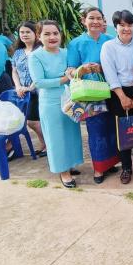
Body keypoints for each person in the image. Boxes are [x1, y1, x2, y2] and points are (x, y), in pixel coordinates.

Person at [66, 7, 119, 184]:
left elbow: (117, 66)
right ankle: (98, 168)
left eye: (99, 18)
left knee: (112, 128)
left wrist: (102, 68)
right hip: (90, 93)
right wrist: (82, 69)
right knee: (96, 131)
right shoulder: (76, 43)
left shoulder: (110, 41)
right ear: (84, 21)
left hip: (110, 91)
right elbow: (70, 70)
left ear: (104, 21)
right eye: (91, 18)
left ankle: (111, 163)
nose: (95, 21)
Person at [28, 20, 83, 188]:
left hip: (70, 98)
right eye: (47, 34)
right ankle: (62, 171)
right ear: (39, 36)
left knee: (71, 133)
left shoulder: (66, 52)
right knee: (56, 137)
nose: (52, 37)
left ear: (60, 35)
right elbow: (39, 82)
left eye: (55, 33)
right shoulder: (35, 56)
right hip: (50, 102)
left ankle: (70, 164)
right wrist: (64, 78)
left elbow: (75, 68)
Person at [101, 10, 133, 184]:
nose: (126, 28)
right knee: (123, 130)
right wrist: (122, 96)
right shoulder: (108, 47)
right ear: (115, 27)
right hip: (118, 92)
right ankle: (126, 168)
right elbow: (110, 73)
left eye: (129, 25)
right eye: (122, 25)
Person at [11, 21, 46, 157]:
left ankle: (48, 145)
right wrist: (18, 86)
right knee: (32, 122)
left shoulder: (41, 50)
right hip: (23, 93)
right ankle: (44, 144)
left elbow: (42, 72)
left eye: (28, 32)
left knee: (33, 122)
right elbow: (14, 71)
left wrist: (30, 87)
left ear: (36, 34)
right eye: (22, 32)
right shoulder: (18, 52)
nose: (24, 35)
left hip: (39, 91)